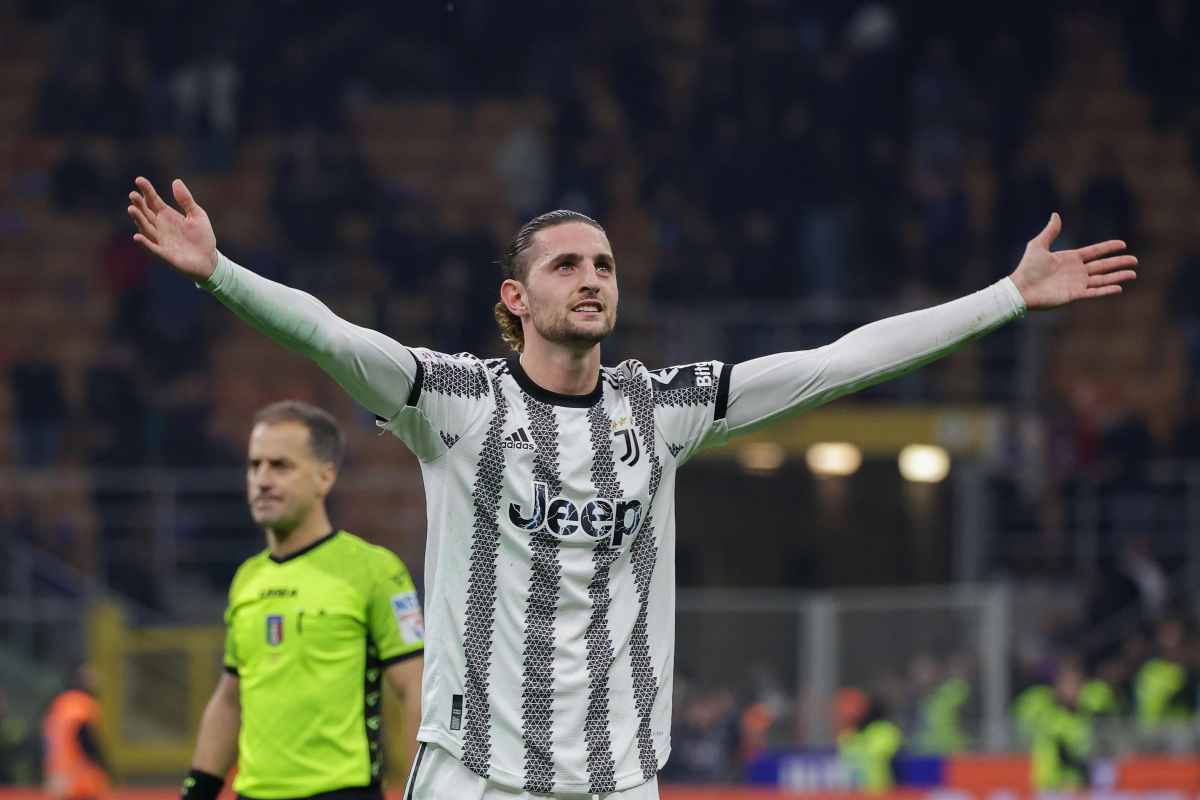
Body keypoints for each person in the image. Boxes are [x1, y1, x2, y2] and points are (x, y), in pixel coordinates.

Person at [126, 175, 1136, 800]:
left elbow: (839, 362)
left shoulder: (664, 407)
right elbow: (330, 335)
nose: (592, 277)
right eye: (566, 264)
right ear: (517, 297)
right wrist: (220, 272)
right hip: (474, 776)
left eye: (604, 264)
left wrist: (1006, 297)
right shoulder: (457, 402)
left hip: (616, 781)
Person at [180, 401, 424, 800]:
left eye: (280, 466)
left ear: (325, 476)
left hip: (342, 792)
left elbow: (415, 688)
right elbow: (230, 698)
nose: (262, 480)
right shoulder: (248, 578)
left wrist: (422, 790)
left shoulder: (375, 570)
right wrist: (197, 790)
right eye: (254, 465)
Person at [42, 665, 108, 800]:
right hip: (80, 779)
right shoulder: (81, 704)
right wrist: (102, 762)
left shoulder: (61, 703)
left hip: (59, 776)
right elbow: (86, 739)